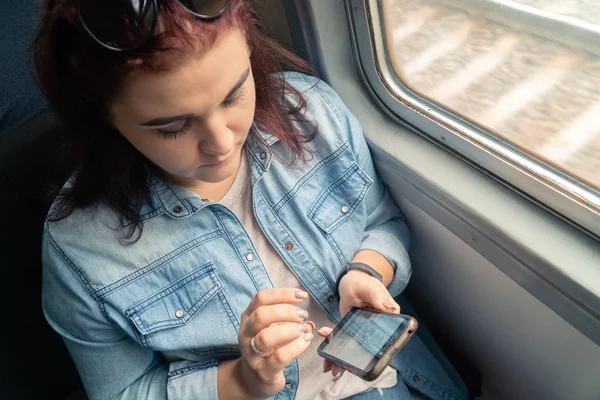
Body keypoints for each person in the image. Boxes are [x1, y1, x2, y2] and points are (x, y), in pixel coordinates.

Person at [34, 1, 467, 399]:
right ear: (102, 116)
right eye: (172, 127)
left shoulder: (314, 113)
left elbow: (380, 220)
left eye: (234, 95)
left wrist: (368, 270)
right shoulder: (81, 248)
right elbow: (122, 392)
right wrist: (243, 380)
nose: (222, 143)